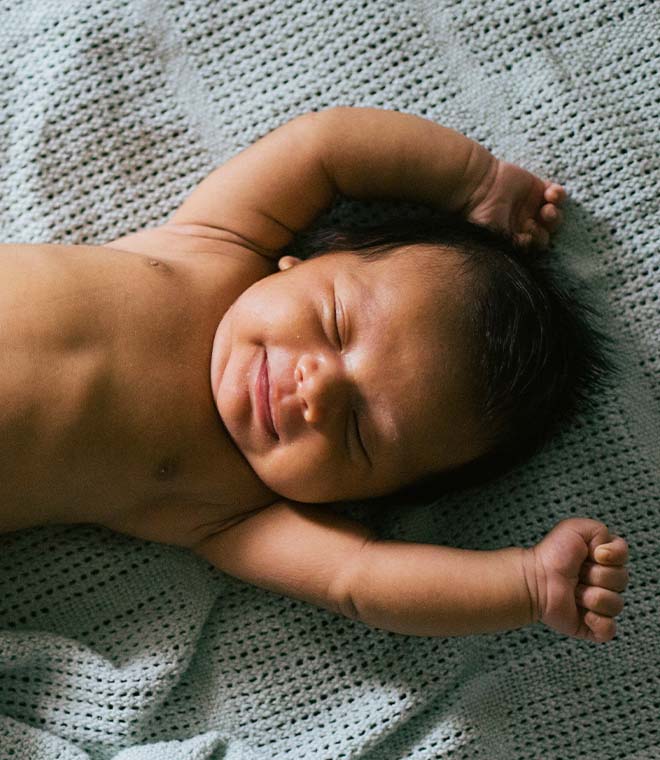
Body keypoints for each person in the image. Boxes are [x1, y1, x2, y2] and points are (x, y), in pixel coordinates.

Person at [0, 106, 628, 642]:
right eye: (333, 324)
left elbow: (361, 580)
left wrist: (523, 584)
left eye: (358, 430)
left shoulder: (232, 507)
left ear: (358, 498)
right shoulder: (216, 245)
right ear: (296, 265)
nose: (319, 387)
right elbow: (323, 148)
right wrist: (475, 180)